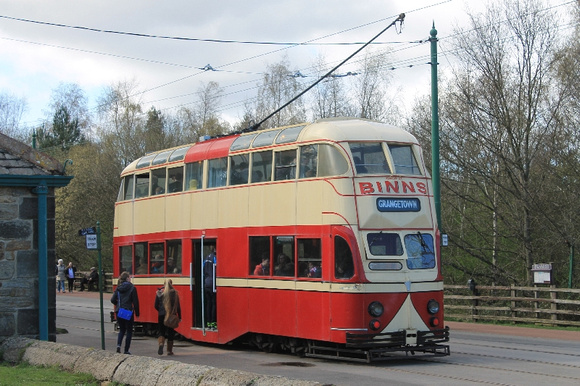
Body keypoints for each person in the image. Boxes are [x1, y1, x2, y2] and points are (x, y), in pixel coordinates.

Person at [111, 272, 140, 355]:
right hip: (128, 312)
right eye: (129, 277)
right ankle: (126, 350)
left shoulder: (118, 288)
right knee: (129, 331)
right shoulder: (132, 288)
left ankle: (118, 345)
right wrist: (137, 313)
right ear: (127, 278)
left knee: (122, 330)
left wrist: (119, 304)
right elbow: (135, 302)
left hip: (119, 311)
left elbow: (112, 300)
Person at [154, 279, 181, 355]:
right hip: (171, 316)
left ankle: (161, 344)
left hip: (161, 315)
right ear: (171, 284)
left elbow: (155, 305)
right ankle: (169, 351)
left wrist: (160, 311)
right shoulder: (174, 293)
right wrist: (180, 316)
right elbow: (178, 306)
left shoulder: (159, 293)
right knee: (170, 332)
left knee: (161, 331)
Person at [203, 247, 216, 325]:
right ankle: (213, 322)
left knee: (208, 303)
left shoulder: (206, 258)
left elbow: (203, 270)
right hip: (212, 284)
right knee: (214, 303)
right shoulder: (215, 258)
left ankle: (208, 322)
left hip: (206, 283)